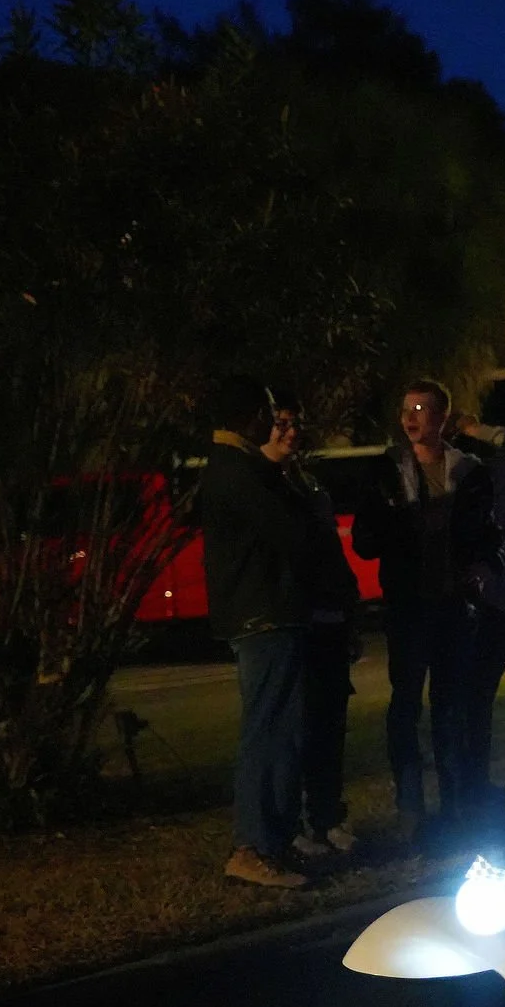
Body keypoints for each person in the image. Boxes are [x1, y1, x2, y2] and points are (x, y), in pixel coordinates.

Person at [351, 379, 505, 843]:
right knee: (405, 706)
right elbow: (365, 540)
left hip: (453, 605)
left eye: (421, 409)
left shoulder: (468, 471)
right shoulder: (387, 471)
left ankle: (455, 803)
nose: (411, 417)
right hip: (408, 605)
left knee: (450, 706)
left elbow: (489, 535)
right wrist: (396, 522)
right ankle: (411, 806)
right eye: (406, 409)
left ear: (442, 417)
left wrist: (480, 567)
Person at [198, 376, 316, 889]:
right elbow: (291, 534)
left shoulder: (234, 468)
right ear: (250, 414)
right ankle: (251, 846)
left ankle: (275, 841)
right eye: (267, 410)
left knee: (283, 732)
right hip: (261, 616)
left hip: (267, 615)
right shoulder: (238, 471)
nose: (273, 420)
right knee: (266, 732)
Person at [271, 388, 361, 858]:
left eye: (295, 423)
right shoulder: (265, 485)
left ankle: (327, 816)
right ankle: (296, 823)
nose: (291, 432)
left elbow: (329, 549)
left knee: (328, 725)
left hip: (329, 619)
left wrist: (349, 609)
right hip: (295, 622)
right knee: (297, 730)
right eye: (281, 423)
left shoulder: (307, 483)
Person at [448, 408, 505, 808]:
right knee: (472, 702)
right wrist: (474, 427)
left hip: (495, 607)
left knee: (475, 702)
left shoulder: (485, 488)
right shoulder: (483, 485)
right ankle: (469, 786)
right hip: (483, 607)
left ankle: (472, 785)